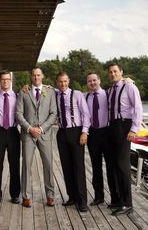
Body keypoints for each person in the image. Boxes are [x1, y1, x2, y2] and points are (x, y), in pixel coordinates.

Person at [16, 67, 57, 208]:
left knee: (48, 164)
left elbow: (53, 114)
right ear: (31, 76)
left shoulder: (50, 91)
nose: (36, 77)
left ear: (43, 76)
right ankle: (26, 196)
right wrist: (29, 128)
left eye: (38, 75)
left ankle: (50, 195)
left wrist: (41, 128)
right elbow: (18, 114)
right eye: (34, 75)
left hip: (44, 134)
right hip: (28, 134)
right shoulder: (24, 92)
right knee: (26, 164)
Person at [108, 63, 143, 216]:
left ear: (121, 72)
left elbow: (138, 108)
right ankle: (120, 201)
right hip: (113, 126)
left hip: (125, 126)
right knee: (116, 165)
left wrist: (134, 129)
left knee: (123, 166)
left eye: (115, 71)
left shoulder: (130, 87)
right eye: (110, 72)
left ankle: (128, 204)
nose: (113, 74)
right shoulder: (110, 90)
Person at [56, 71, 90, 212]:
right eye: (60, 81)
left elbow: (85, 114)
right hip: (62, 132)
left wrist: (84, 132)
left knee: (78, 166)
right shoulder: (55, 94)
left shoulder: (77, 94)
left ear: (68, 81)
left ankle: (82, 200)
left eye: (65, 81)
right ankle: (72, 197)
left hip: (76, 132)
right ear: (57, 82)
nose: (63, 84)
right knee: (66, 166)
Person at [85, 72, 119, 207]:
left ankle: (115, 198)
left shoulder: (108, 94)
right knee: (96, 167)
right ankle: (99, 196)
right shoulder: (85, 96)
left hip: (107, 133)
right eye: (89, 81)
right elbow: (64, 92)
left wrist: (128, 80)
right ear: (87, 83)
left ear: (99, 80)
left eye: (94, 80)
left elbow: (121, 86)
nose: (92, 83)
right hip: (92, 134)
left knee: (111, 167)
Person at [0, 70, 20, 204]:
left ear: (11, 80)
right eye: (2, 79)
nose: (5, 81)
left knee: (14, 165)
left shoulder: (18, 96)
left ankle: (15, 194)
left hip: (13, 132)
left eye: (7, 79)